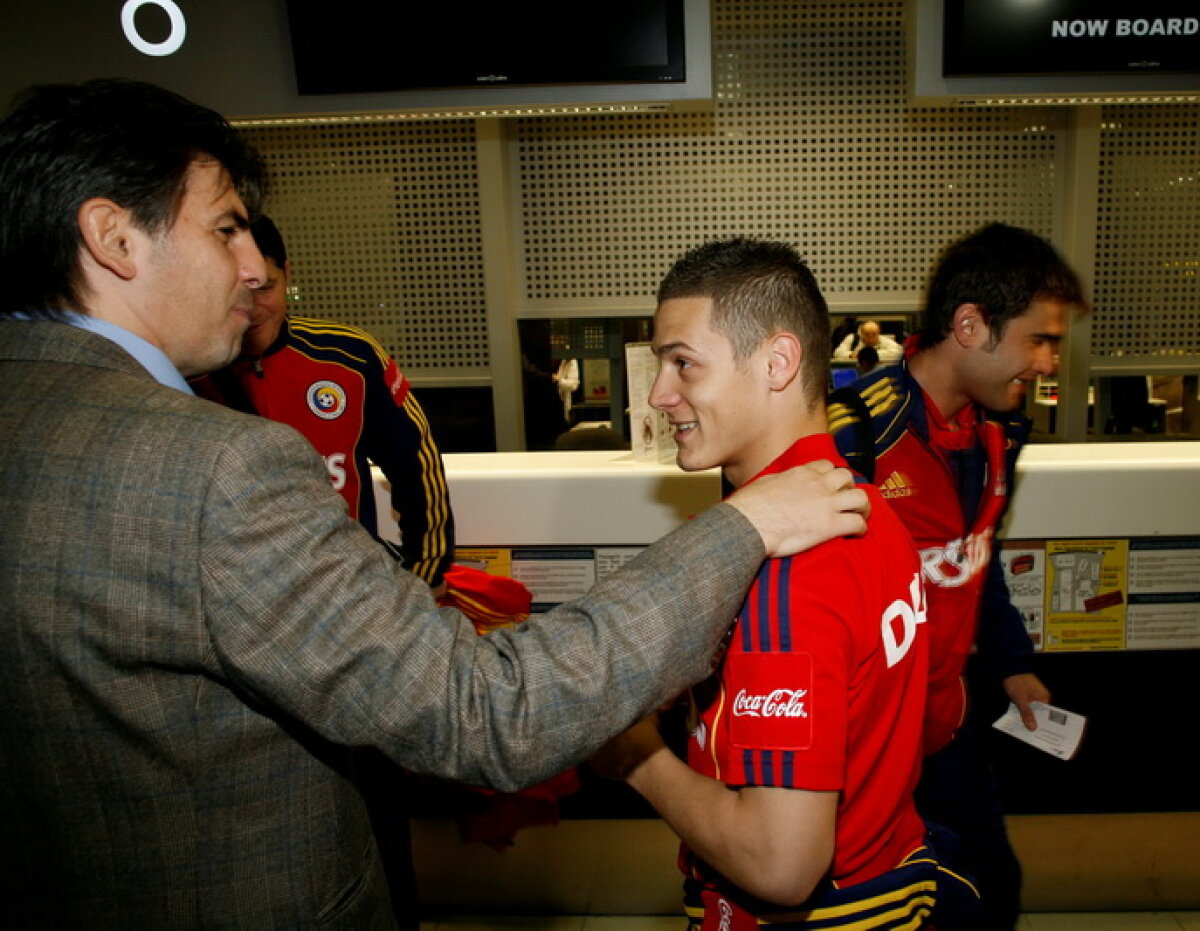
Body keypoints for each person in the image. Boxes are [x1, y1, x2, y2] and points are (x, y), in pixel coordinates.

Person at [0, 78, 872, 927]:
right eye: (227, 226)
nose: (255, 265)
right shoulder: (214, 465)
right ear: (114, 237)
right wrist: (743, 526)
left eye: (686, 362)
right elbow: (487, 708)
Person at [591, 237, 979, 929]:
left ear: (777, 362)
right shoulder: (863, 502)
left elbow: (782, 863)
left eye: (683, 363)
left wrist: (636, 755)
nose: (658, 393)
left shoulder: (786, 567)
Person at [827, 222, 1086, 930]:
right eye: (1037, 339)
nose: (1046, 362)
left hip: (950, 729)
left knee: (991, 891)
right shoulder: (855, 435)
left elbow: (977, 552)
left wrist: (1011, 664)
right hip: (860, 755)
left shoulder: (1000, 430)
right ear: (970, 325)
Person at [193, 215, 455, 592]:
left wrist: (428, 572)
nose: (252, 311)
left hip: (350, 587)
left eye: (266, 288)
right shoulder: (185, 371)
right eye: (234, 293)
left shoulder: (349, 356)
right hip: (239, 595)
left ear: (287, 273)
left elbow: (416, 462)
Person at [833, 318, 903, 363]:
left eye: (874, 334)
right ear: (861, 333)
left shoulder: (884, 340)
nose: (870, 337)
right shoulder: (852, 338)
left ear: (879, 333)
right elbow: (837, 353)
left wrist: (868, 355)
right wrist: (851, 355)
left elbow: (898, 352)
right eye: (867, 334)